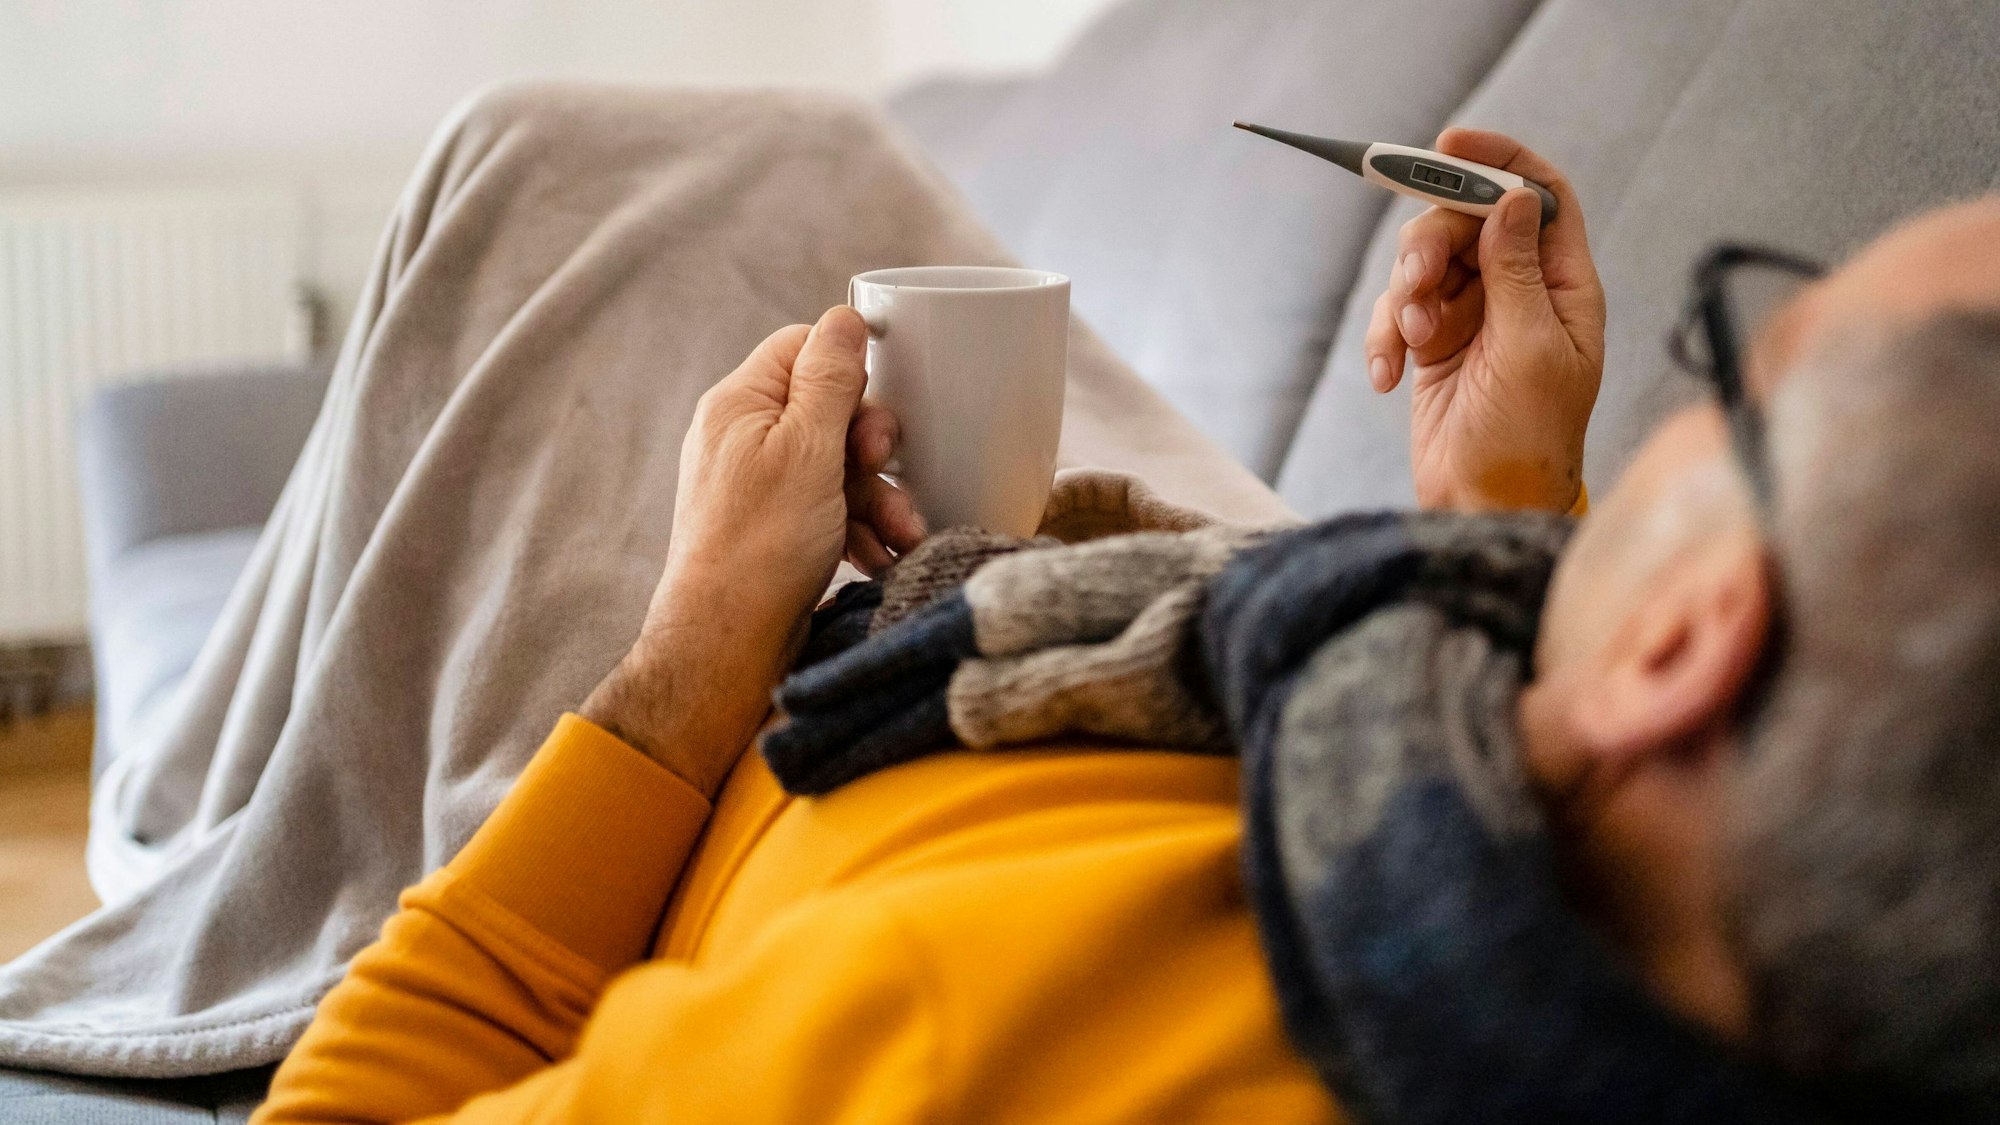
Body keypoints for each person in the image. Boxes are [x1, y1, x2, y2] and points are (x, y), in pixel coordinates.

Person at [242, 89, 2000, 1121]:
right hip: (1227, 598)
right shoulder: (1657, 918)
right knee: (750, 165)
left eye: (1742, 365)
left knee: (575, 152)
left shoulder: (968, 1023)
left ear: (1685, 643)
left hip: (731, 735)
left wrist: (698, 635)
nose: (1688, 404)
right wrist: (1500, 511)